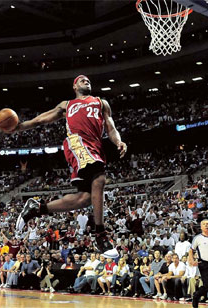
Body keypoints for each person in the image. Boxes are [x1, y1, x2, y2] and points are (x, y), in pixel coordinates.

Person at [13, 75, 126, 256]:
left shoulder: (100, 102)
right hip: (78, 142)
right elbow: (41, 119)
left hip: (95, 145)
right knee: (99, 178)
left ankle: (38, 208)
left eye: (88, 80)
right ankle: (101, 234)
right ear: (74, 86)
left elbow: (111, 128)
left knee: (85, 198)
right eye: (82, 80)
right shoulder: (67, 105)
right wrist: (19, 126)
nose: (86, 81)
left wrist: (119, 142)